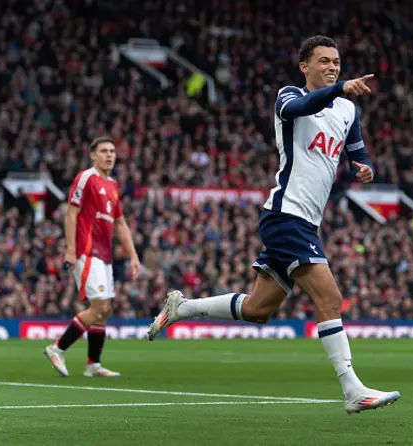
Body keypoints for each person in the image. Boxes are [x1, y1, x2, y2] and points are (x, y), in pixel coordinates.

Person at [148, 35, 400, 413]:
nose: (333, 67)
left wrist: (363, 170)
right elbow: (304, 107)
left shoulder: (347, 110)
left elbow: (357, 154)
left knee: (257, 309)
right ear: (305, 67)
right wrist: (337, 88)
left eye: (336, 62)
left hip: (307, 222)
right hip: (286, 216)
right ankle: (352, 390)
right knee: (329, 298)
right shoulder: (289, 96)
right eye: (324, 61)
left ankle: (183, 308)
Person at [44, 136, 140, 377]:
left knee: (104, 310)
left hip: (105, 256)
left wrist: (134, 256)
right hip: (87, 252)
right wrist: (70, 249)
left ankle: (93, 365)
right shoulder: (86, 177)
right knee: (99, 306)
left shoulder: (113, 186)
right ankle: (57, 348)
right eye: (104, 151)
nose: (109, 155)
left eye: (112, 151)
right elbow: (71, 213)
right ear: (93, 155)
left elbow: (120, 224)